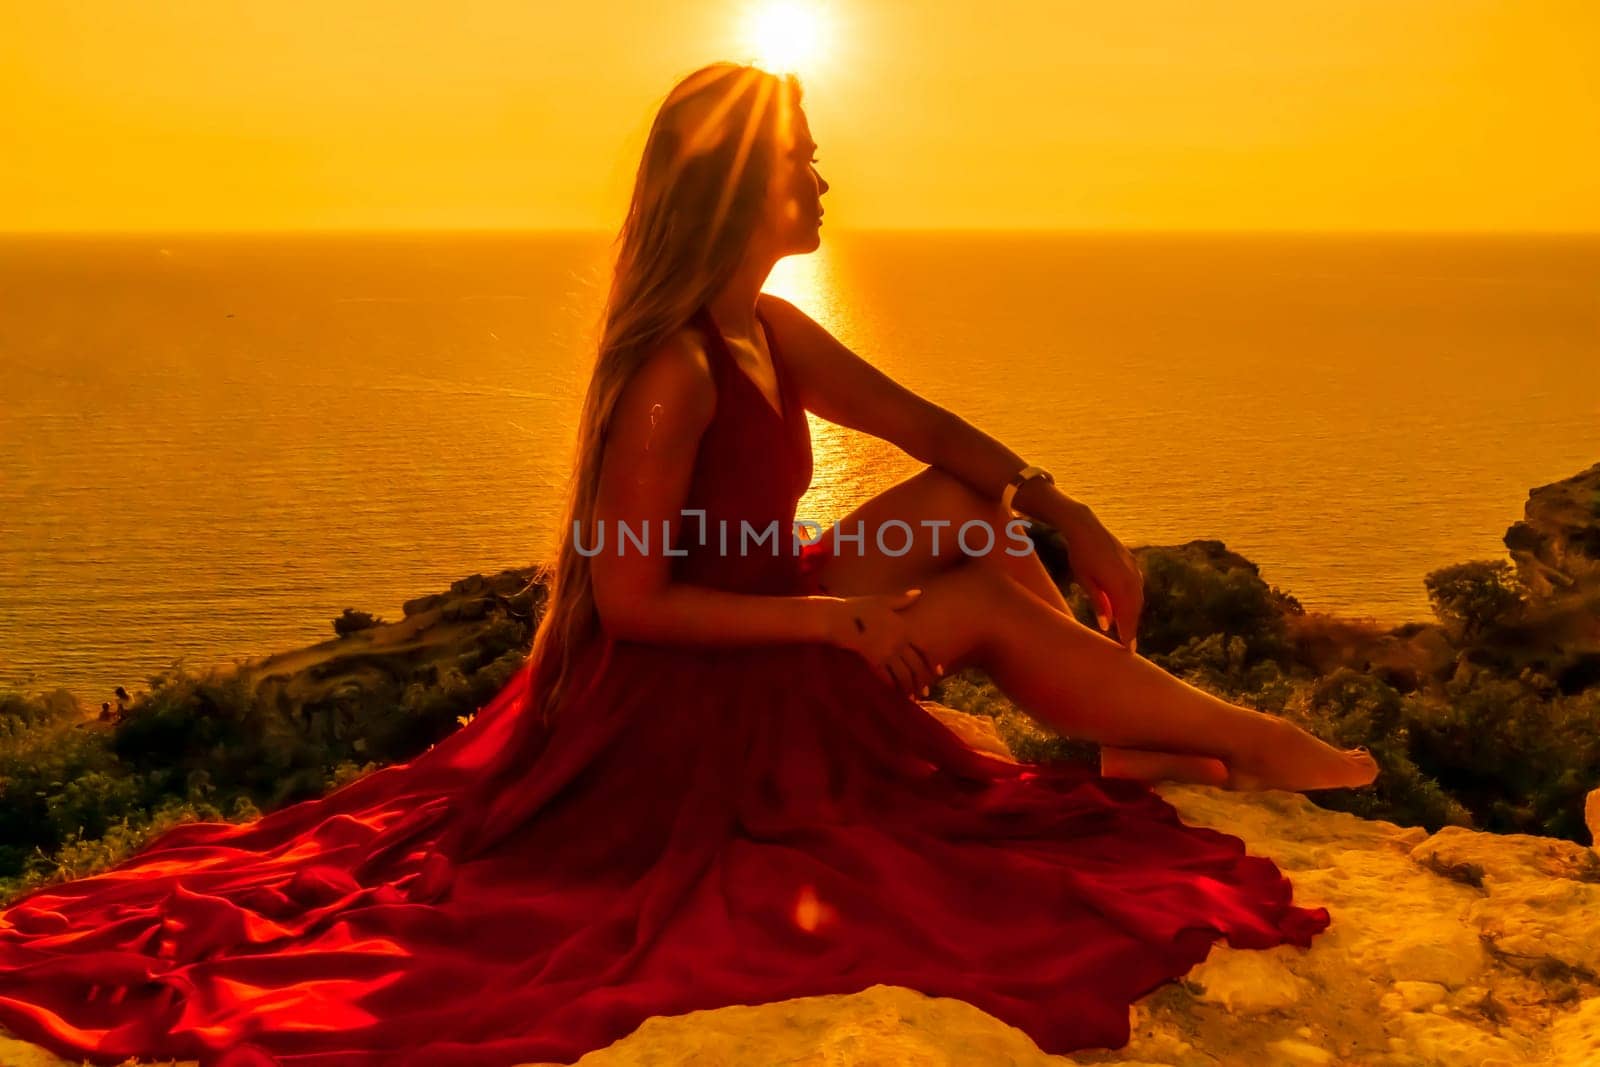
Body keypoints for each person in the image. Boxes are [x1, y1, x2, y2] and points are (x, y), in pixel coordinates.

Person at [0, 62, 1376, 1066]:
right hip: (676, 691)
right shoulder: (671, 372)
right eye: (805, 162)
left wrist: (1064, 510)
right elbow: (630, 601)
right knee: (962, 584)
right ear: (740, 189)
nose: (827, 180)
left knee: (974, 503)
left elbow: (932, 433)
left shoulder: (766, 325)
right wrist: (838, 623)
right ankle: (1247, 741)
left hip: (775, 609)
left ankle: (1133, 733)